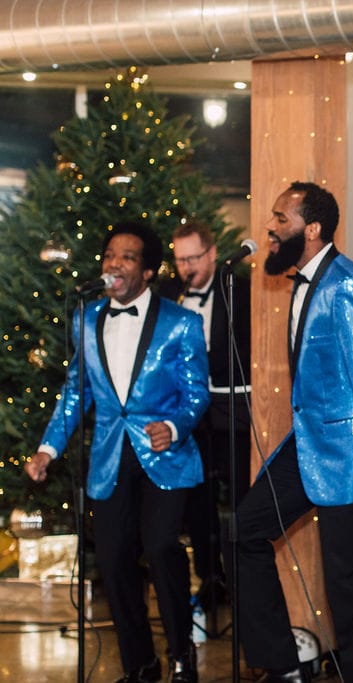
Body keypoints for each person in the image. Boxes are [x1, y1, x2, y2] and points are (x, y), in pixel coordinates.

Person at [234, 181, 353, 683]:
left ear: (312, 229)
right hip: (310, 444)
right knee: (245, 530)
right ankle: (281, 663)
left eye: (281, 219)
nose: (270, 227)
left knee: (347, 583)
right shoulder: (305, 281)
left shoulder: (348, 285)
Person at [25, 222, 210, 683]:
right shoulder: (86, 319)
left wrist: (174, 426)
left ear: (147, 271)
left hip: (164, 455)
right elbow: (76, 392)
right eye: (109, 255)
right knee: (111, 558)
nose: (114, 263)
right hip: (111, 456)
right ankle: (140, 664)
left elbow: (197, 394)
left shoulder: (182, 322)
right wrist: (48, 449)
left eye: (127, 256)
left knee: (162, 548)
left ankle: (182, 653)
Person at [162, 222, 253, 614]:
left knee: (241, 498)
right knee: (197, 504)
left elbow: (245, 352)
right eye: (180, 260)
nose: (186, 268)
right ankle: (209, 580)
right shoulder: (168, 296)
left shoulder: (240, 292)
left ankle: (244, 582)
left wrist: (201, 365)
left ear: (212, 254)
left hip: (231, 413)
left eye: (193, 258)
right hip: (187, 419)